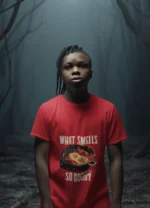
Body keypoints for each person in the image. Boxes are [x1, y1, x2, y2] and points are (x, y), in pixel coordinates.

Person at [30, 45, 127, 208]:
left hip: (98, 202)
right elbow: (40, 159)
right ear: (60, 74)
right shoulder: (46, 110)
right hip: (58, 203)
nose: (76, 70)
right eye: (68, 67)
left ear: (91, 73)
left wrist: (116, 203)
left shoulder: (108, 110)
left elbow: (116, 159)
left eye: (82, 65)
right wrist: (47, 202)